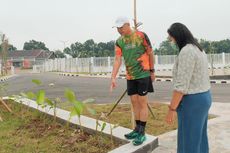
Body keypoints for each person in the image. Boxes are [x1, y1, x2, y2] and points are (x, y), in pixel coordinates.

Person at [166, 22, 212, 153]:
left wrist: (171, 109)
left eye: (172, 38)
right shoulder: (198, 49)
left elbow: (181, 86)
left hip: (192, 101)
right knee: (199, 138)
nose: (172, 41)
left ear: (178, 36)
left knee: (189, 140)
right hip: (204, 97)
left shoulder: (187, 51)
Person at [110, 16, 155, 146]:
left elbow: (150, 53)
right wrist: (113, 76)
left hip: (143, 74)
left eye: (121, 27)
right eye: (117, 28)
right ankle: (136, 129)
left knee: (142, 102)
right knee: (134, 102)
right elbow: (117, 59)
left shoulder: (141, 35)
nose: (119, 30)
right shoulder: (119, 41)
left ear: (127, 24)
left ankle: (142, 132)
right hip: (130, 76)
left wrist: (152, 70)